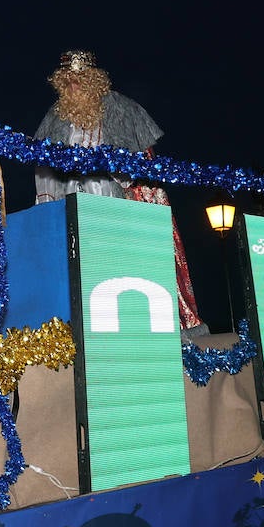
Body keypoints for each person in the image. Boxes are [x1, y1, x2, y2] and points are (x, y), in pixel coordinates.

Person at [32, 50, 205, 333]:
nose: (74, 85)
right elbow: (42, 167)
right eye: (68, 80)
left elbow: (141, 166)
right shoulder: (55, 116)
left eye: (81, 78)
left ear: (95, 80)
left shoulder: (122, 109)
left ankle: (128, 324)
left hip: (110, 203)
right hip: (68, 204)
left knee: (112, 268)